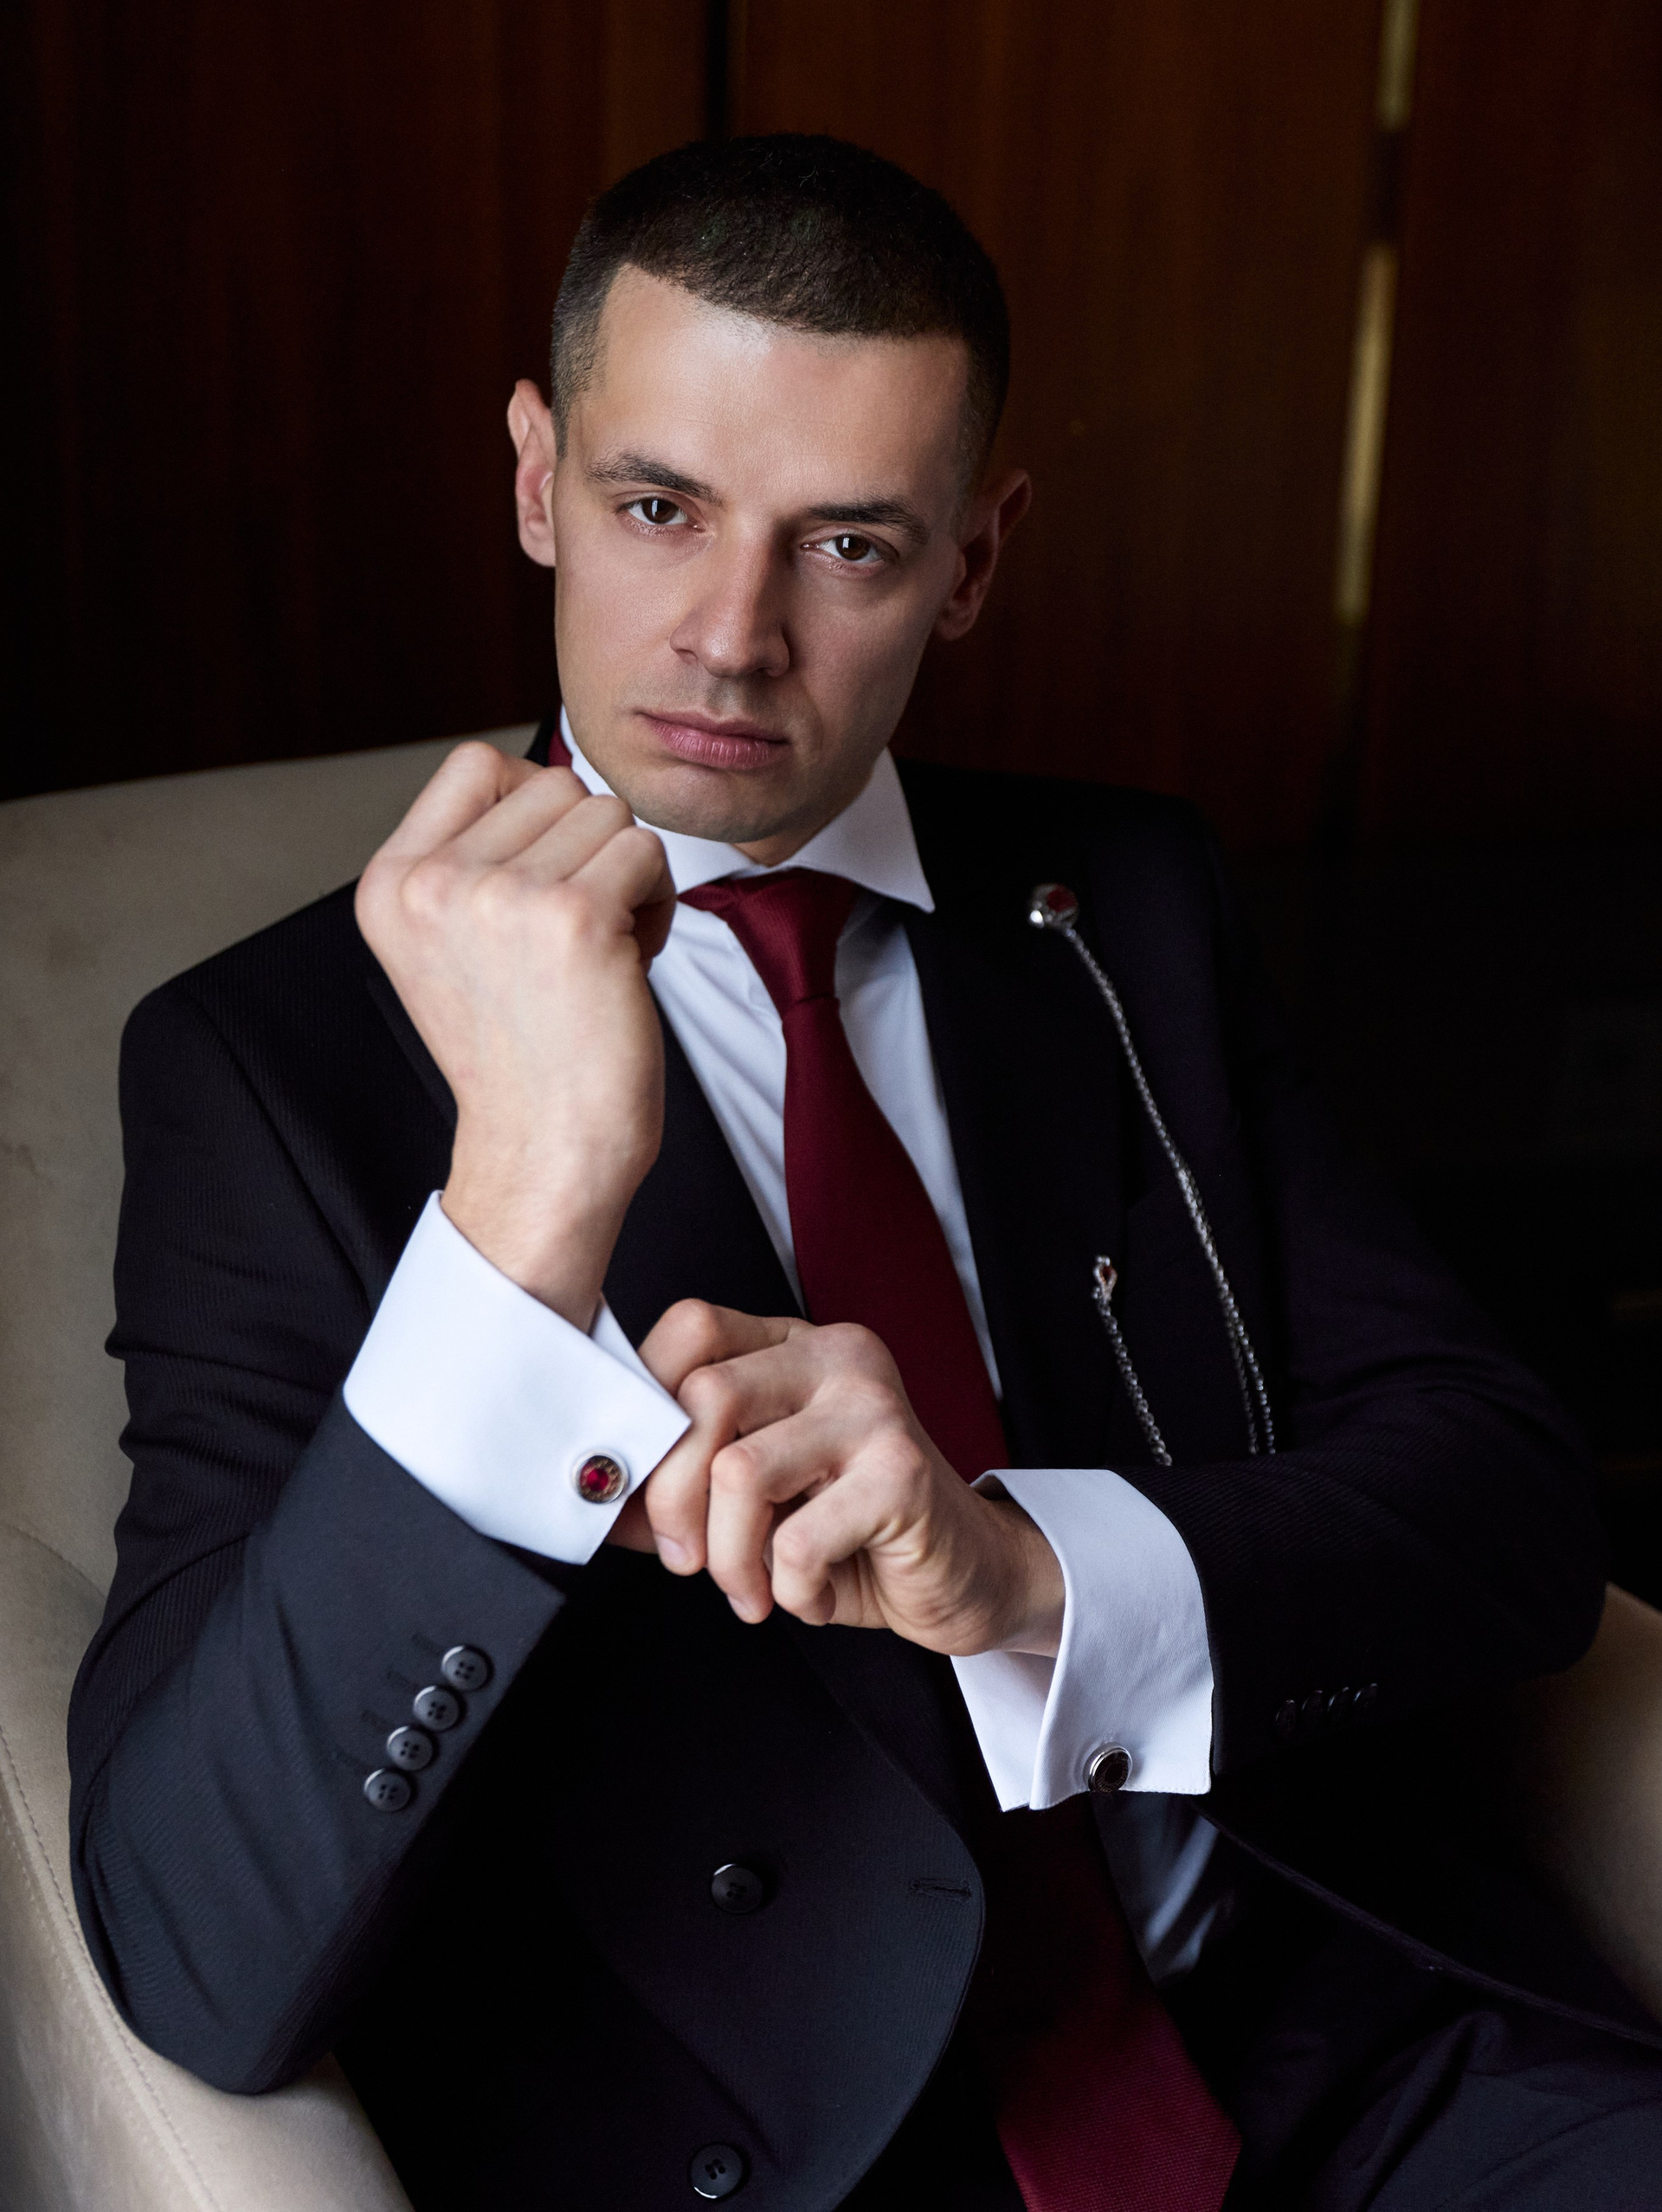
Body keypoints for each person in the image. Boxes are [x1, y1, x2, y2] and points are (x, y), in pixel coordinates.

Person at [69, 135, 1661, 2209]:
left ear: (975, 559)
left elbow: (1510, 1512)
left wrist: (1024, 1571)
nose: (734, 638)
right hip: (792, 2154)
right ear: (538, 479)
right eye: (659, 509)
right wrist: (526, 1210)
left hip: (1349, 2059)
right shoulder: (266, 1063)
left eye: (848, 546)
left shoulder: (1122, 904)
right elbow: (199, 1947)